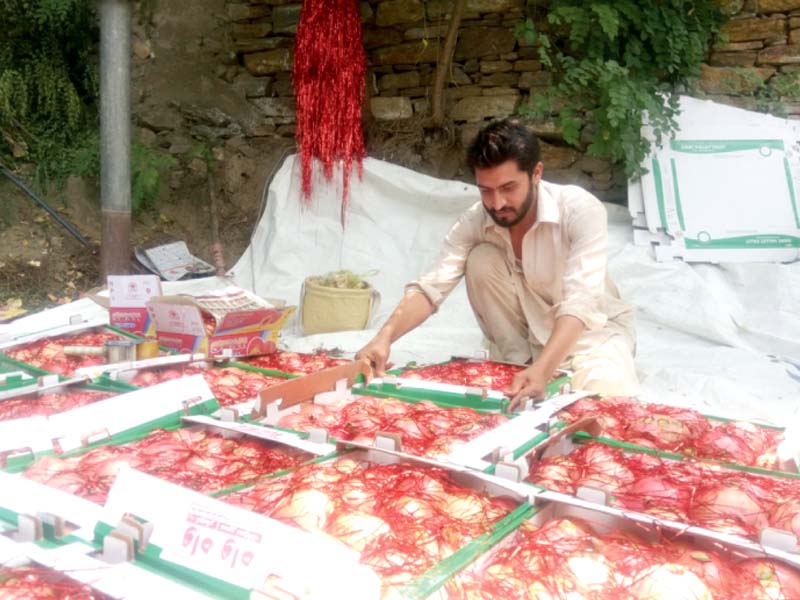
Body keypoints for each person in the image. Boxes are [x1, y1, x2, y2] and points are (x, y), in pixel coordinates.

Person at [356, 118, 638, 410]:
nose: (497, 203)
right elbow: (432, 285)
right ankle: (515, 365)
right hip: (523, 345)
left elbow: (581, 302)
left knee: (606, 403)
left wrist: (544, 368)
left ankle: (543, 372)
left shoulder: (580, 210)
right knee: (481, 260)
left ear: (536, 173)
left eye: (508, 187)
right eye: (486, 191)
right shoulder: (476, 220)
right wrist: (384, 338)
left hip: (591, 336)